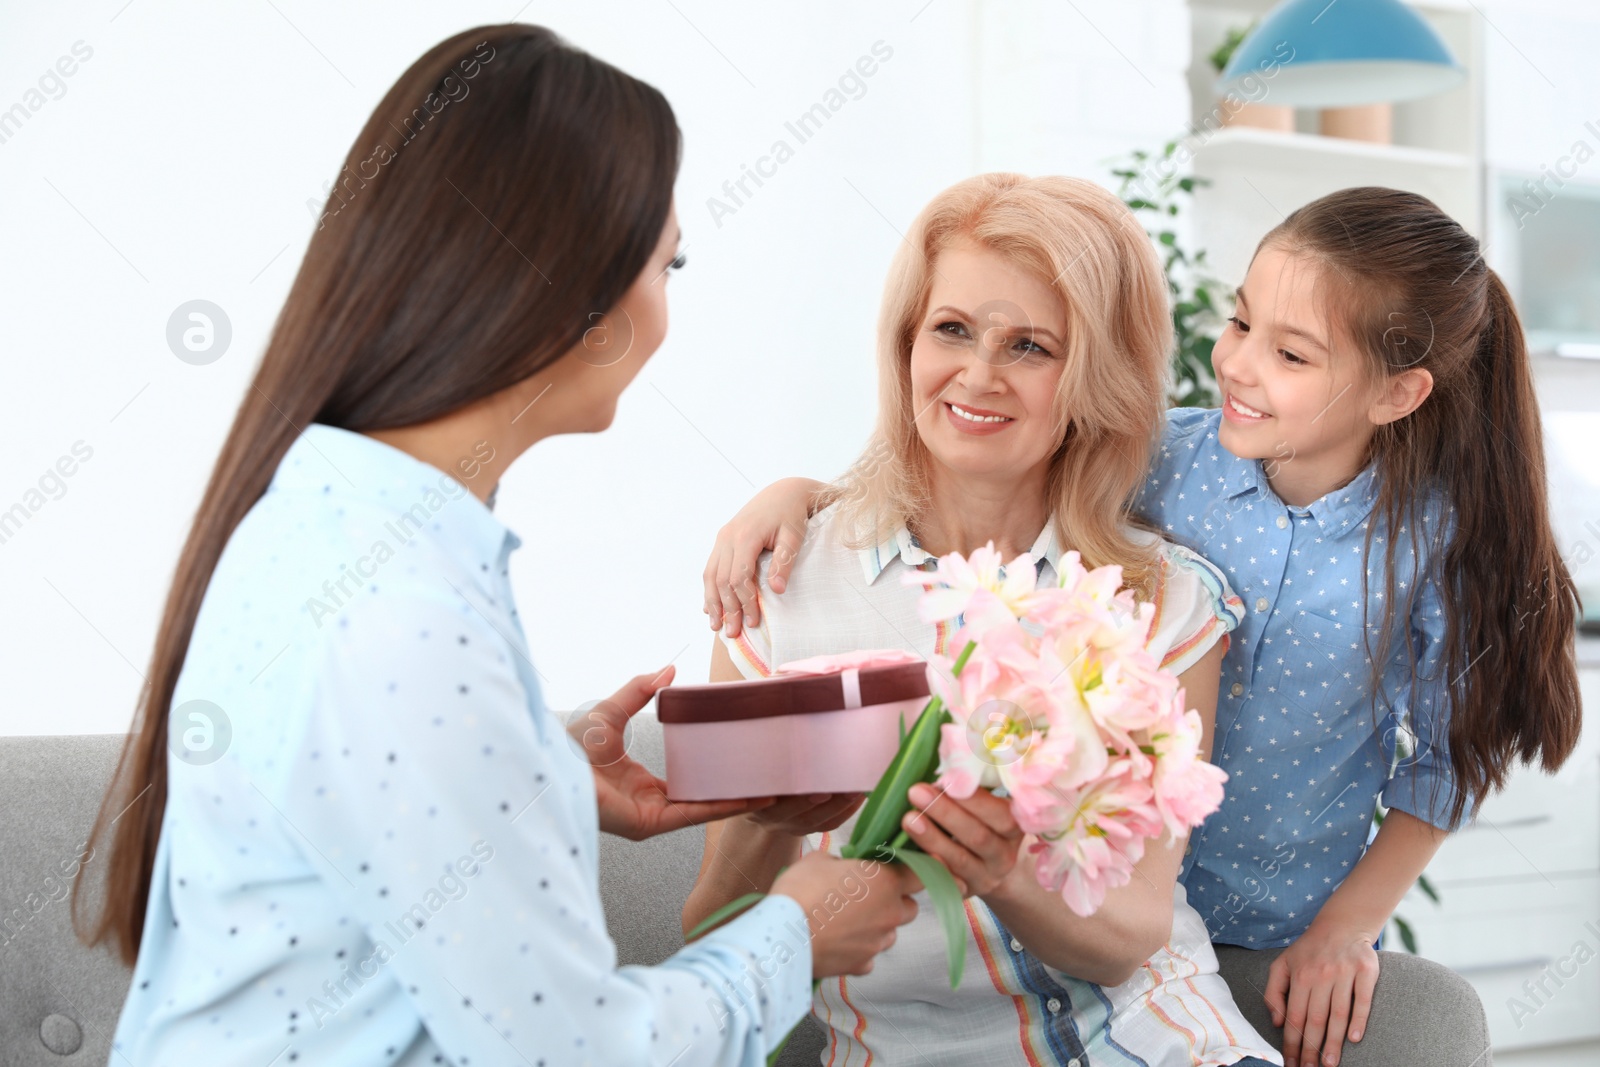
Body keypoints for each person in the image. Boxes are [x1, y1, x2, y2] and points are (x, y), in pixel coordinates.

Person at [73, 24, 920, 1067]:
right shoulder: (404, 614)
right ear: (568, 285)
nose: (666, 312)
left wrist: (540, 776)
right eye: (671, 262)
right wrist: (798, 929)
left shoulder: (331, 512)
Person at [699, 186, 1584, 1067]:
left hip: (1255, 928)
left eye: (1291, 353)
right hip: (1135, 922)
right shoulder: (1172, 460)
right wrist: (802, 499)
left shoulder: (1410, 548)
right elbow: (961, 473)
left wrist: (1348, 925)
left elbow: (1445, 759)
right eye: (1241, 325)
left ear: (1398, 393)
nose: (1237, 364)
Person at [683, 172, 1283, 1066]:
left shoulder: (1164, 600)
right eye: (951, 330)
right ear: (905, 345)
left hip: (1156, 1040)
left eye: (1030, 347)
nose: (978, 374)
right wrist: (772, 822)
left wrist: (1006, 872)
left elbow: (1133, 932)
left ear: (1093, 377)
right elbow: (711, 929)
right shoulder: (780, 583)